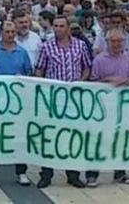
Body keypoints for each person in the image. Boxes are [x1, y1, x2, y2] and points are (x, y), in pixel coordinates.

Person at [34, 15, 92, 189]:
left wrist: (79, 82)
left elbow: (87, 67)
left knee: (72, 137)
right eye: (56, 26)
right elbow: (39, 69)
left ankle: (72, 174)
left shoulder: (80, 46)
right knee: (50, 136)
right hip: (53, 99)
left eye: (61, 26)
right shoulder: (47, 46)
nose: (58, 29)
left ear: (68, 28)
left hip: (74, 99)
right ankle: (46, 174)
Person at [0, 20, 33, 187]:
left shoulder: (22, 52)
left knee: (19, 137)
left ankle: (21, 171)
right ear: (1, 33)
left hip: (18, 104)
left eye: (12, 32)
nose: (10, 35)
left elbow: (29, 75)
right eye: (7, 31)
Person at [85, 28, 129, 186]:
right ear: (107, 42)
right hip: (102, 108)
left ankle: (120, 172)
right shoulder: (99, 60)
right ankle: (92, 174)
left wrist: (128, 82)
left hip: (123, 108)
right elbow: (92, 83)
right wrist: (109, 80)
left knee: (121, 139)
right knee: (98, 140)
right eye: (113, 41)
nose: (116, 44)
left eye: (119, 41)